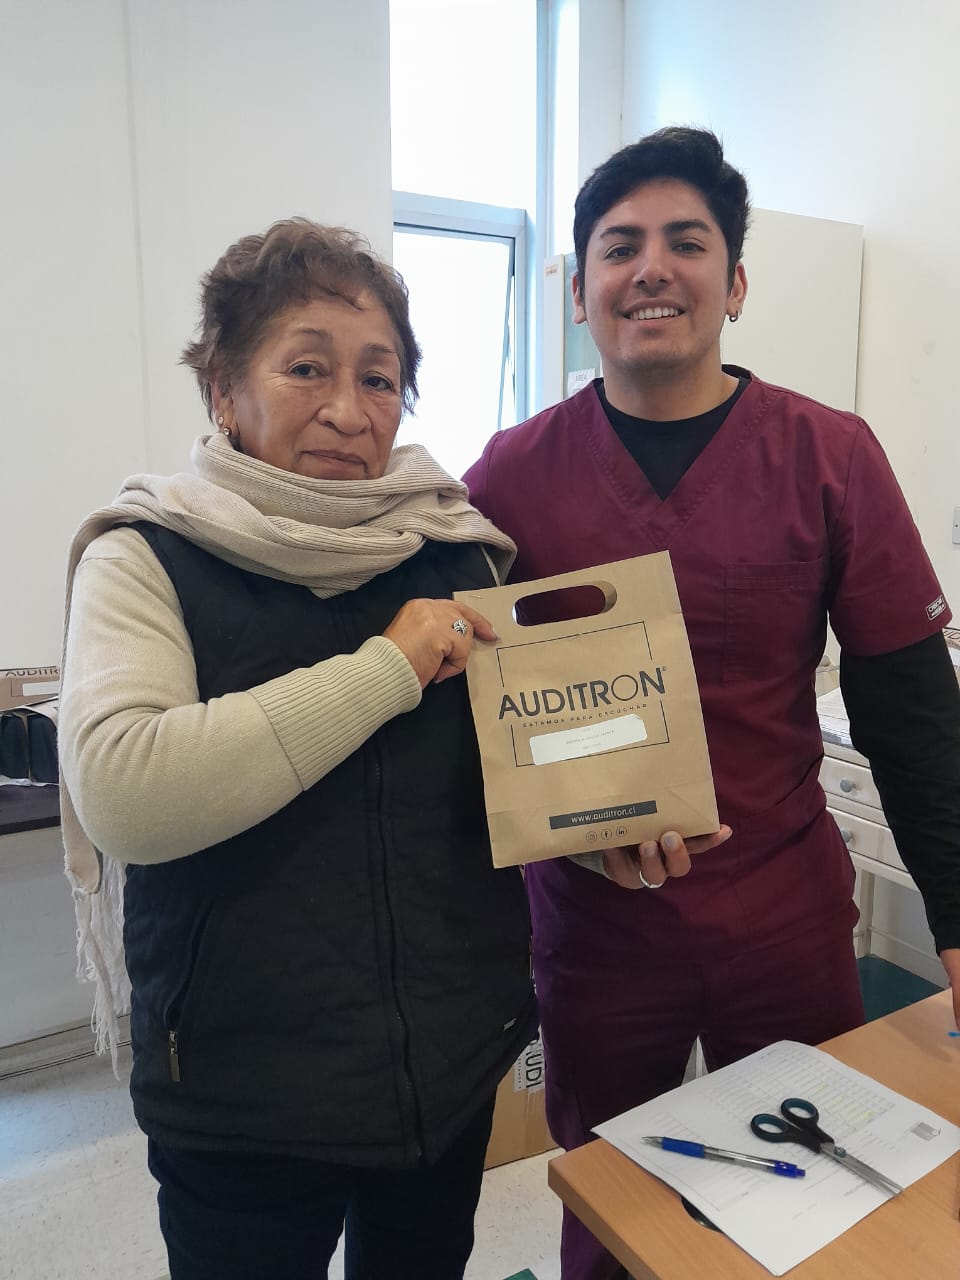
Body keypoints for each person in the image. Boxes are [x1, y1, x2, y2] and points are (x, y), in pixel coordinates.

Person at [464, 127, 960, 1279]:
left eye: (687, 243)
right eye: (620, 246)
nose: (653, 268)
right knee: (610, 1204)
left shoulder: (829, 457)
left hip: (779, 917)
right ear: (579, 292)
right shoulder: (509, 478)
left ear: (734, 283)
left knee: (813, 1204)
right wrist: (566, 838)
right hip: (596, 928)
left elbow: (912, 711)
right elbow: (468, 713)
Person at [58, 219, 536, 1280]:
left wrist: (611, 830)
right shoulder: (147, 554)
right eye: (307, 367)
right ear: (224, 389)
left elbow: (514, 775)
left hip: (445, 1068)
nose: (348, 409)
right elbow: (127, 792)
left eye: (380, 377)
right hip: (244, 1098)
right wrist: (387, 669)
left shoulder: (455, 550)